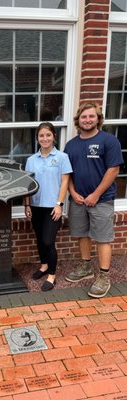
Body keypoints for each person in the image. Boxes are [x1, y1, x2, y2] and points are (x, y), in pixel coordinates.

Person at [64, 102, 123, 298]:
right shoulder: (71, 145)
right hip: (78, 200)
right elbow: (67, 173)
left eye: (91, 116)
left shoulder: (109, 141)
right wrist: (72, 192)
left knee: (103, 238)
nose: (87, 120)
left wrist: (96, 194)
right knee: (82, 234)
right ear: (78, 120)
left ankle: (104, 276)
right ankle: (86, 267)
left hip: (102, 199)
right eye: (84, 117)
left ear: (98, 119)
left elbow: (113, 169)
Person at [24, 122, 72, 291]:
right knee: (39, 239)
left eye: (48, 135)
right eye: (41, 136)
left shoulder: (62, 158)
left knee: (48, 240)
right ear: (37, 138)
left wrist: (59, 204)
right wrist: (27, 205)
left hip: (53, 207)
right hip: (36, 206)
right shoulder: (31, 160)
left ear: (54, 137)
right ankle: (44, 266)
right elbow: (28, 184)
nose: (45, 139)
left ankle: (52, 275)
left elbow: (65, 182)